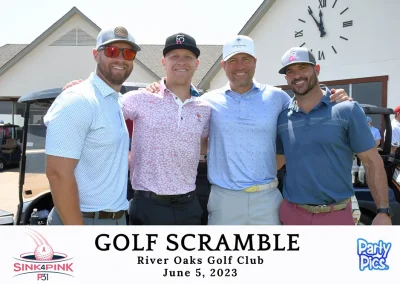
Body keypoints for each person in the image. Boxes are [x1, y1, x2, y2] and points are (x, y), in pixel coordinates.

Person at [146, 35, 349, 225]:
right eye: (233, 60)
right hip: (224, 200)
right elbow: (190, 134)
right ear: (223, 65)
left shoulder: (278, 98)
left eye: (246, 59)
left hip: (268, 199)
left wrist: (333, 98)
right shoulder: (206, 102)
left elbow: (305, 117)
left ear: (255, 62)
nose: (240, 66)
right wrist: (157, 88)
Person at [63, 33, 210, 225]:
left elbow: (203, 145)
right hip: (148, 206)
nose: (181, 62)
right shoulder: (139, 99)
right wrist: (79, 88)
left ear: (197, 63)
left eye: (188, 57)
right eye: (174, 56)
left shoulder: (205, 108)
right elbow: (100, 109)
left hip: (189, 206)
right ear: (163, 62)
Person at [276, 46, 392, 225]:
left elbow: (371, 161)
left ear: (317, 69)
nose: (297, 75)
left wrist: (383, 211)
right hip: (292, 215)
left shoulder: (347, 110)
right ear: (286, 78)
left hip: (335, 216)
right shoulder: (284, 117)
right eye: (290, 71)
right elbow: (277, 161)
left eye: (303, 68)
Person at [44, 26, 141, 225]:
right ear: (96, 55)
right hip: (83, 220)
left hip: (115, 220)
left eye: (129, 53)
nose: (121, 59)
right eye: (112, 51)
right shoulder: (79, 100)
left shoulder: (116, 101)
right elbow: (57, 174)